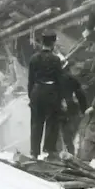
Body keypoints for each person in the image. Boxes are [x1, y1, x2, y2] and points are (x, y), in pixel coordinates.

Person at [28, 31, 63, 159]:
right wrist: (60, 98)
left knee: (36, 122)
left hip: (36, 91)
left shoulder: (34, 58)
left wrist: (30, 97)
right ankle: (49, 151)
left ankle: (34, 153)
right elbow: (60, 80)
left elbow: (30, 80)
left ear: (42, 43)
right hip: (51, 91)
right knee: (51, 122)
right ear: (53, 43)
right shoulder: (56, 59)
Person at [58, 59, 87, 154]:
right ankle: (70, 153)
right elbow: (81, 95)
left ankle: (60, 153)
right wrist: (84, 110)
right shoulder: (71, 78)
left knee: (63, 134)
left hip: (58, 108)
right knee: (69, 134)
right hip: (70, 108)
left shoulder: (54, 78)